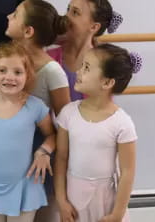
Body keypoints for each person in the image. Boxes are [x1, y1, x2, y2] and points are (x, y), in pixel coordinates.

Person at [55, 44, 140, 222]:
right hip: (74, 196)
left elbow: (127, 171)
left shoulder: (122, 123)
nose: (78, 71)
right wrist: (62, 201)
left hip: (105, 199)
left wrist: (117, 214)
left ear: (107, 82)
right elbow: (61, 158)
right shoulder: (68, 113)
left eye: (86, 68)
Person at [4, 0, 71, 221]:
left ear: (28, 31)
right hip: (9, 150)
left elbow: (65, 121)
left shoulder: (53, 71)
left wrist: (52, 155)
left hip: (40, 152)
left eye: (14, 14)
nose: (8, 17)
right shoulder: (7, 61)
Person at [0, 42, 56, 222]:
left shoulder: (35, 107)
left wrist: (44, 152)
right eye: (2, 70)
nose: (10, 77)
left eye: (17, 72)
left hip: (25, 185)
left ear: (27, 76)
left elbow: (52, 135)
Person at [47, 0, 123, 100]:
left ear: (94, 27)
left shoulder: (102, 66)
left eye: (75, 12)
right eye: (68, 9)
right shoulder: (49, 56)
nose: (66, 16)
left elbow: (101, 107)